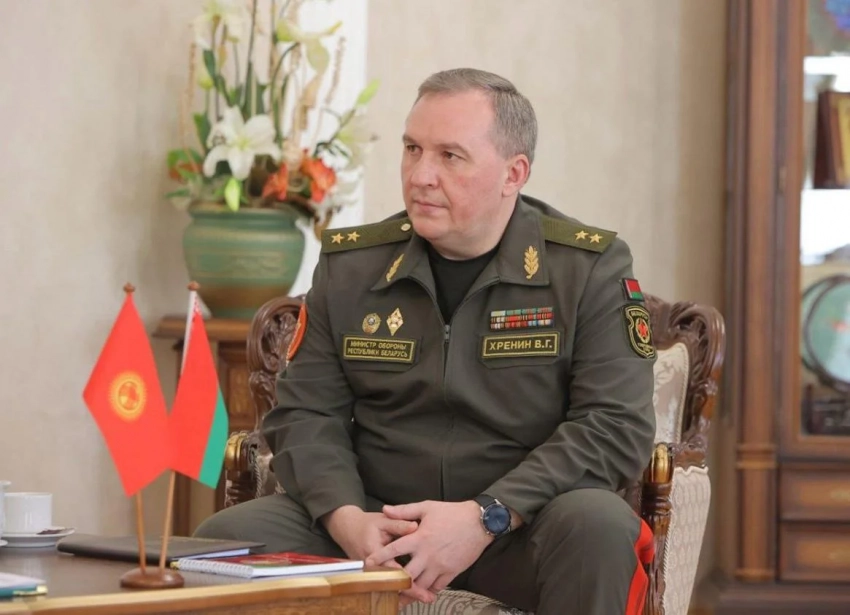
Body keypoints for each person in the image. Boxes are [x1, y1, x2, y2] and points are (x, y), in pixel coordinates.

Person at [195, 67, 657, 615]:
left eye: (450, 156)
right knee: (224, 543)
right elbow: (305, 414)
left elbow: (614, 424)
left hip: (519, 527)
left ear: (513, 173)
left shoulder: (587, 269)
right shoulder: (352, 267)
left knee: (599, 526)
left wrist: (486, 516)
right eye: (412, 149)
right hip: (376, 524)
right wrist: (348, 521)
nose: (420, 176)